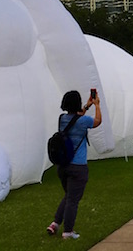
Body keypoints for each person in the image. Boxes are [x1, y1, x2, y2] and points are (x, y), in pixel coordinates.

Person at [47, 89, 102, 239]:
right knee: (73, 200)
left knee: (69, 195)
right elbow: (97, 121)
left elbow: (75, 118)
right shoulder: (83, 121)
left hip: (63, 165)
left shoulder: (62, 118)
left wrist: (87, 106)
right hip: (78, 166)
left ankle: (55, 223)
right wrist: (97, 105)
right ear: (77, 104)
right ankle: (68, 231)